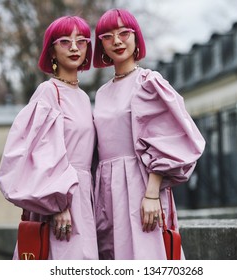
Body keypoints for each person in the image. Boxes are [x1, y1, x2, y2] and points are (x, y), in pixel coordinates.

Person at [92, 9, 206, 260]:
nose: (117, 41)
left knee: (148, 257)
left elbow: (164, 141)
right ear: (100, 44)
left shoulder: (147, 82)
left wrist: (152, 194)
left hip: (140, 185)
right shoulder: (101, 93)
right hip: (107, 192)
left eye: (124, 33)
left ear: (136, 38)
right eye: (108, 36)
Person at [0, 16, 98, 259]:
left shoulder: (83, 97)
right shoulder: (48, 92)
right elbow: (40, 152)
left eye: (81, 41)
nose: (74, 47)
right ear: (51, 50)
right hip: (60, 200)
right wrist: (57, 204)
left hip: (85, 198)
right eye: (65, 41)